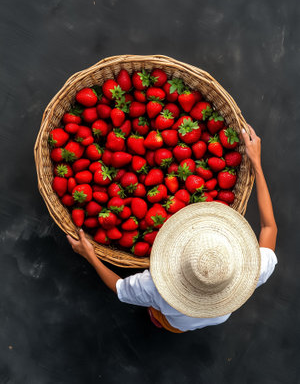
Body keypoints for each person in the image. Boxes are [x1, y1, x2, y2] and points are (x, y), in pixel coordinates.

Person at [67, 124, 278, 333]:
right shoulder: (254, 270)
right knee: (173, 319)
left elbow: (120, 288)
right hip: (213, 316)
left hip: (172, 320)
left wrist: (90, 255)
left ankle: (156, 318)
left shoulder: (156, 289)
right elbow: (269, 228)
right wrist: (256, 165)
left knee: (161, 316)